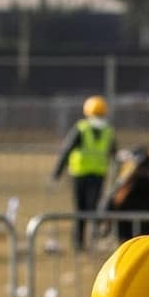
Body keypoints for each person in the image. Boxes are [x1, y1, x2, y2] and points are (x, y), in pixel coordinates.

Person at [51, 95, 115, 251]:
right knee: (91, 209)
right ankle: (87, 241)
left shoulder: (82, 128)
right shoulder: (107, 131)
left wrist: (56, 173)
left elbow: (66, 151)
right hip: (96, 175)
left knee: (81, 210)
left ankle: (80, 243)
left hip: (81, 174)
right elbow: (114, 154)